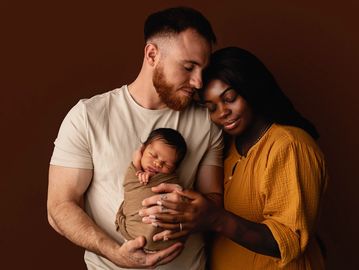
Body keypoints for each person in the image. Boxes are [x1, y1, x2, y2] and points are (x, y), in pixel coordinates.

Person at [47, 7, 223, 270]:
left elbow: (214, 199)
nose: (198, 82)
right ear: (152, 54)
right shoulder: (89, 116)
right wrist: (115, 253)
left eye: (202, 70)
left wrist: (189, 209)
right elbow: (59, 207)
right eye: (188, 67)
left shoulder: (207, 122)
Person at [140, 47, 328, 269]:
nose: (222, 113)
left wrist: (216, 219)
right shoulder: (228, 149)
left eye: (229, 98)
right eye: (211, 108)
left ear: (251, 89)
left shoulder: (290, 145)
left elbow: (289, 238)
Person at [115, 128, 188, 252]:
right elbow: (130, 182)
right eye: (153, 155)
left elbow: (178, 196)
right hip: (135, 229)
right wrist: (137, 168)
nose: (158, 164)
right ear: (142, 150)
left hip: (163, 235)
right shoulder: (135, 174)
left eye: (167, 164)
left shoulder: (170, 179)